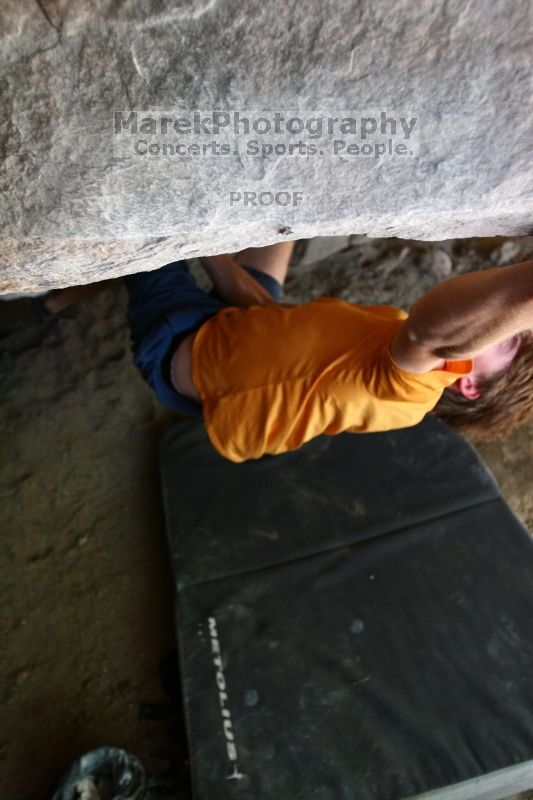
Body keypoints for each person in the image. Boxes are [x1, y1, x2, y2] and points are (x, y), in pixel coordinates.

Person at [39, 243, 533, 462]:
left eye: (507, 339)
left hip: (180, 348)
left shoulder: (414, 388)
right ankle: (66, 297)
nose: (500, 325)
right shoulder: (403, 358)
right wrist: (217, 257)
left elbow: (430, 330)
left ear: (469, 383)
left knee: (147, 238)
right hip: (247, 330)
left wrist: (200, 244)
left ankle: (76, 285)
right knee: (279, 225)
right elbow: (290, 327)